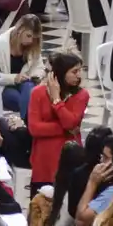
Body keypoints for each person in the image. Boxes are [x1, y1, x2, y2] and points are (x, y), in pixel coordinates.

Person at [26, 53, 88, 184]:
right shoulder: (38, 93)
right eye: (74, 71)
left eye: (80, 70)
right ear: (61, 73)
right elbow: (34, 129)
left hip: (69, 154)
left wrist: (56, 100)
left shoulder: (81, 95)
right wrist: (65, 129)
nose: (79, 75)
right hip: (43, 157)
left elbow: (70, 122)